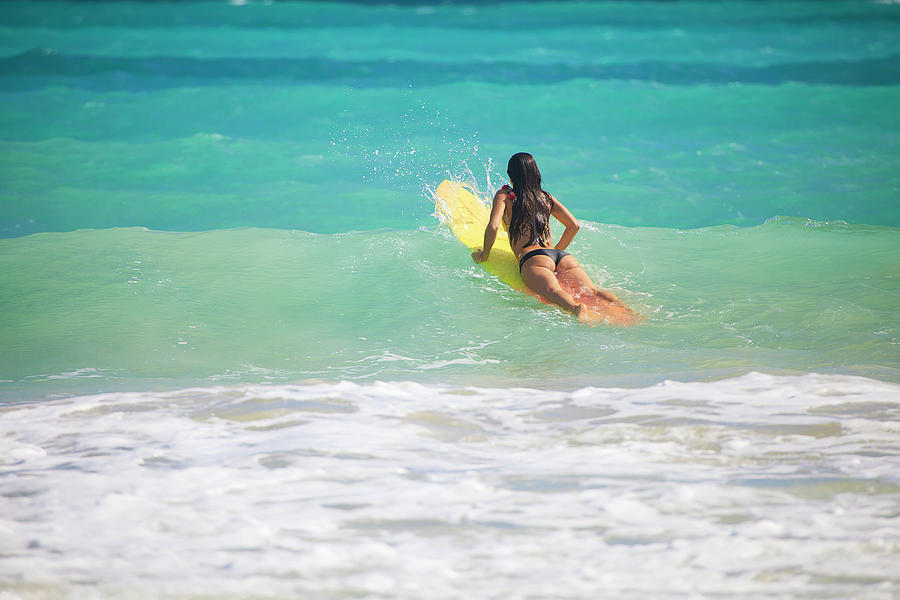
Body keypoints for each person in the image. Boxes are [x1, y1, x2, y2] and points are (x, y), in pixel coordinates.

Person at [471, 152, 628, 321]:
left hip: (533, 259)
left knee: (554, 292)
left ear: (511, 175)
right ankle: (625, 310)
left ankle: (576, 309)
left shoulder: (505, 196)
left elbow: (493, 226)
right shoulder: (545, 197)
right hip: (560, 257)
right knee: (593, 291)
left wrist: (484, 255)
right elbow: (574, 226)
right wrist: (554, 254)